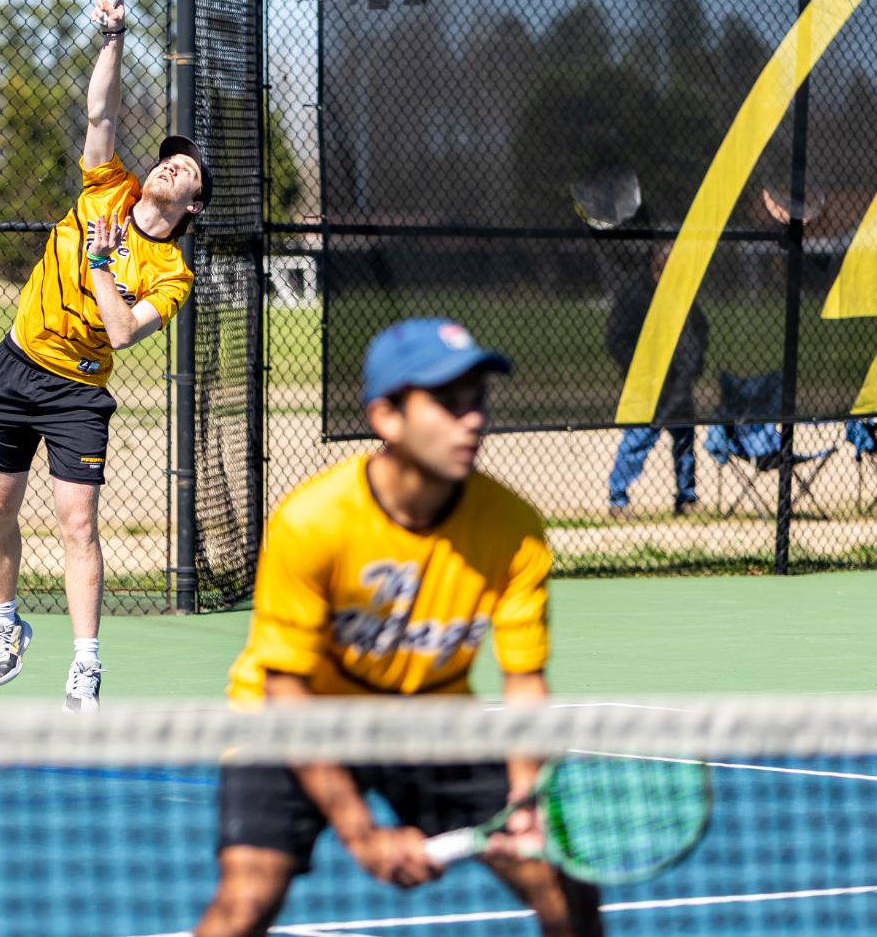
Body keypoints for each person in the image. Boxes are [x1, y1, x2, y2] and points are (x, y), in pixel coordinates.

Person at [194, 318, 601, 937]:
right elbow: (286, 693)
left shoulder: (513, 529)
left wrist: (524, 799)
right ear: (386, 417)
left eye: (477, 400)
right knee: (248, 898)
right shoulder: (312, 522)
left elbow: (524, 685)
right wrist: (362, 836)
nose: (472, 419)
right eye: (446, 402)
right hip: (291, 718)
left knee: (565, 889)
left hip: (428, 721)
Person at [0, 0, 210, 713]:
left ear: (192, 205)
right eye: (169, 161)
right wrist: (114, 36)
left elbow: (124, 332)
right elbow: (100, 113)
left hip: (77, 391)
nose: (170, 168)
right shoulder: (108, 186)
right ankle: (5, 622)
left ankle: (86, 663)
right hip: (15, 362)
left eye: (185, 171)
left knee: (77, 521)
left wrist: (103, 265)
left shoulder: (172, 274)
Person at [603, 242, 706, 516]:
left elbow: (699, 329)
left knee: (684, 440)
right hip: (646, 383)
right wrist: (639, 369)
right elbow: (616, 338)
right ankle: (618, 500)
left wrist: (693, 365)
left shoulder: (681, 292)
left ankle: (686, 498)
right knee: (637, 438)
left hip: (678, 382)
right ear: (660, 264)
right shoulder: (636, 295)